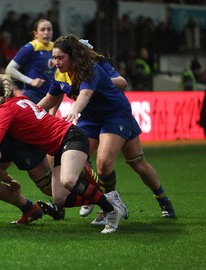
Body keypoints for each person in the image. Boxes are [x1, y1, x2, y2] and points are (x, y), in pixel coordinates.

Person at [0, 74, 128, 234]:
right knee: (59, 199)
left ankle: (111, 211)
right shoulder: (21, 100)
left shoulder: (6, 110)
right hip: (60, 144)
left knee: (68, 181)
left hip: (70, 137)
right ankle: (108, 198)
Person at [37, 34, 175, 225]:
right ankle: (103, 202)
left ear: (73, 55)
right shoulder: (60, 73)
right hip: (90, 119)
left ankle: (164, 202)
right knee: (73, 156)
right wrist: (30, 112)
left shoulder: (91, 69)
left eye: (60, 57)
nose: (56, 61)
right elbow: (50, 98)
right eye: (55, 57)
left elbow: (85, 95)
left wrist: (74, 112)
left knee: (126, 163)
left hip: (116, 115)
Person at [5, 18, 57, 115]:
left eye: (49, 29)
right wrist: (31, 81)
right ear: (35, 33)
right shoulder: (29, 48)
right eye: (42, 30)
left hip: (50, 97)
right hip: (32, 96)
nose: (46, 33)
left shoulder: (56, 48)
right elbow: (9, 69)